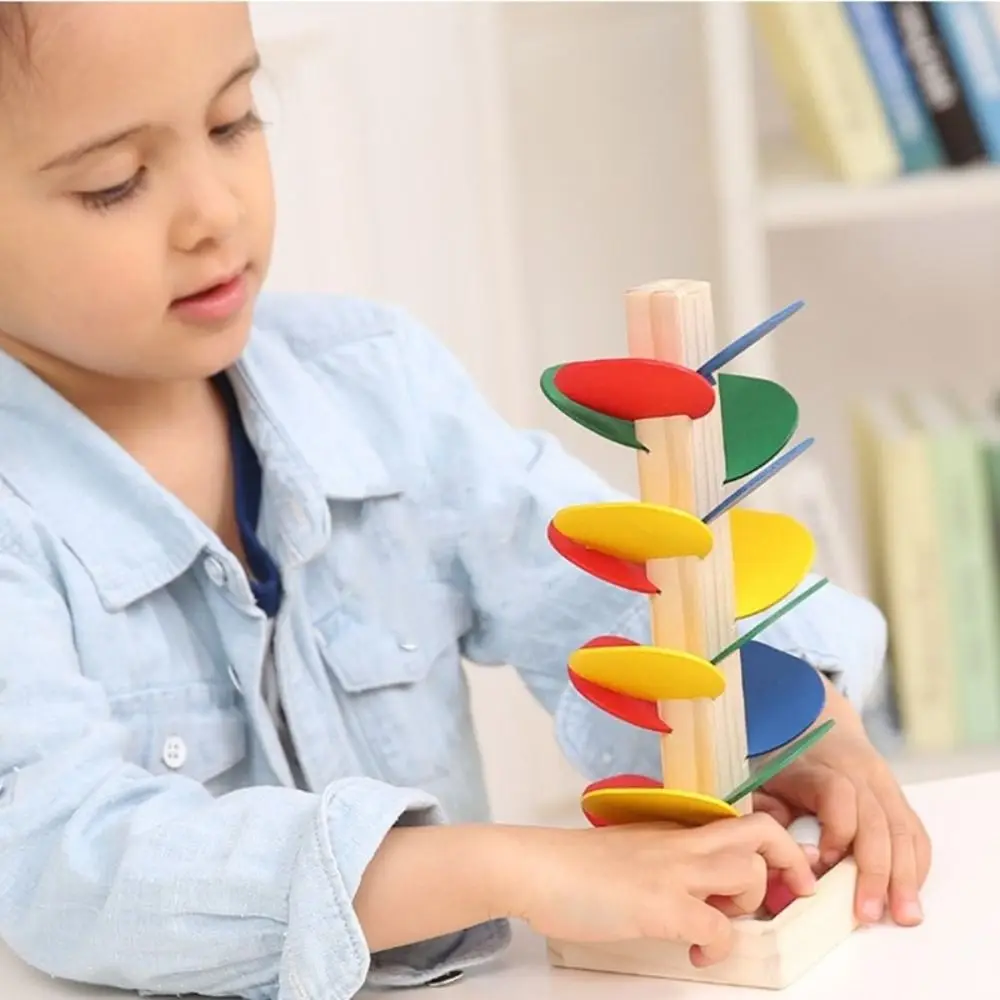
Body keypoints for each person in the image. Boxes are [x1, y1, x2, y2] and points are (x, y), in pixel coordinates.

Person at [0, 3, 929, 999]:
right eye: (115, 184)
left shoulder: (376, 384)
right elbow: (67, 857)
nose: (214, 212)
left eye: (233, 120)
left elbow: (598, 589)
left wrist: (790, 720)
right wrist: (515, 867)